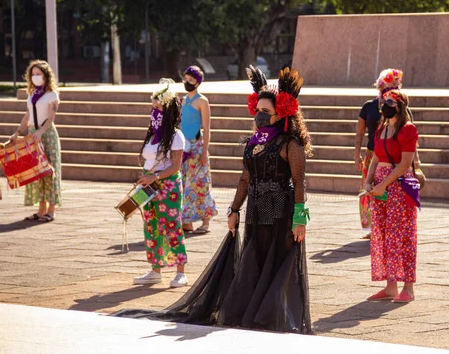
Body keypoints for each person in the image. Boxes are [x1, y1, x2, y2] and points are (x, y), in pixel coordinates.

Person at [116, 66, 313, 334]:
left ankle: (273, 316)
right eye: (259, 110)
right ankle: (256, 313)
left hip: (281, 210)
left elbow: (299, 181)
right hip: (255, 210)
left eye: (267, 112)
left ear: (282, 114)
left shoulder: (291, 144)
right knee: (255, 259)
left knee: (277, 263)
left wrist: (300, 219)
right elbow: (245, 179)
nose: (260, 116)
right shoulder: (254, 142)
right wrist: (234, 210)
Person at [364, 88, 419, 303]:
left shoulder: (408, 129)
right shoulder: (381, 128)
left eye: (390, 102)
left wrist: (383, 185)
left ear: (400, 106)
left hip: (399, 185)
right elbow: (376, 159)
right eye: (383, 101)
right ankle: (390, 286)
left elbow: (405, 164)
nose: (385, 105)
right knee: (385, 234)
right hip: (380, 185)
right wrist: (369, 181)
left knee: (403, 235)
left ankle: (408, 287)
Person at [133, 80, 188, 288]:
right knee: (151, 225)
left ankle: (181, 272)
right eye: (153, 107)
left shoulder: (176, 136)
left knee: (172, 226)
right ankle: (155, 270)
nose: (154, 111)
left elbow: (175, 167)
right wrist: (146, 179)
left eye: (158, 107)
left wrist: (154, 177)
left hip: (168, 185)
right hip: (149, 183)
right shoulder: (152, 135)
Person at [355, 69, 404, 239]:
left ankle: (388, 224)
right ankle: (369, 226)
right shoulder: (369, 106)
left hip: (393, 156)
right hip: (371, 154)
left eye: (395, 86)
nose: (392, 88)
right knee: (367, 188)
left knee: (389, 190)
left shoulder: (400, 108)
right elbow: (360, 133)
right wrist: (356, 155)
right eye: (389, 85)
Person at [12, 60, 61, 222]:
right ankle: (40, 210)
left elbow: (51, 118)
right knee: (37, 172)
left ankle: (51, 211)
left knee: (50, 171)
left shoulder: (52, 95)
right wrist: (18, 132)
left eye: (39, 74)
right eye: (33, 74)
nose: (35, 77)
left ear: (46, 76)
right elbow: (27, 116)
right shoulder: (32, 94)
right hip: (33, 134)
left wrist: (41, 131)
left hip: (46, 134)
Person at [180, 66, 217, 234]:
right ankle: (187, 221)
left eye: (191, 80)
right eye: (186, 79)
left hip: (197, 146)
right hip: (184, 148)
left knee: (201, 183)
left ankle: (206, 222)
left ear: (198, 82)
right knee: (186, 183)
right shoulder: (183, 100)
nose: (187, 82)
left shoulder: (202, 101)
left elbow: (207, 128)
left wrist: (204, 152)